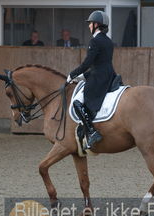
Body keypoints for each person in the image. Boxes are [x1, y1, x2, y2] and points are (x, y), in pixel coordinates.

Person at [67, 10, 114, 149]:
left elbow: (87, 63)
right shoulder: (108, 41)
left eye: (90, 23)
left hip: (99, 78)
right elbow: (100, 64)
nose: (89, 26)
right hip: (108, 75)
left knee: (77, 102)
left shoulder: (95, 41)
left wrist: (72, 74)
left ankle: (92, 132)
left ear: (96, 25)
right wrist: (83, 76)